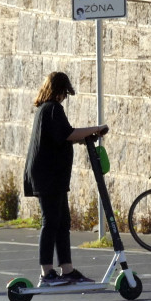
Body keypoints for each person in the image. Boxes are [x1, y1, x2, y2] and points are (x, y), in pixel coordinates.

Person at [23, 71, 109, 286]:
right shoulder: (52, 108)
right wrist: (96, 129)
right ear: (60, 91)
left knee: (62, 222)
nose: (64, 97)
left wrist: (86, 136)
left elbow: (60, 137)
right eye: (64, 93)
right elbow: (67, 133)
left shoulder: (46, 109)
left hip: (53, 175)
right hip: (48, 174)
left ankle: (67, 269)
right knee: (51, 221)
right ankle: (47, 272)